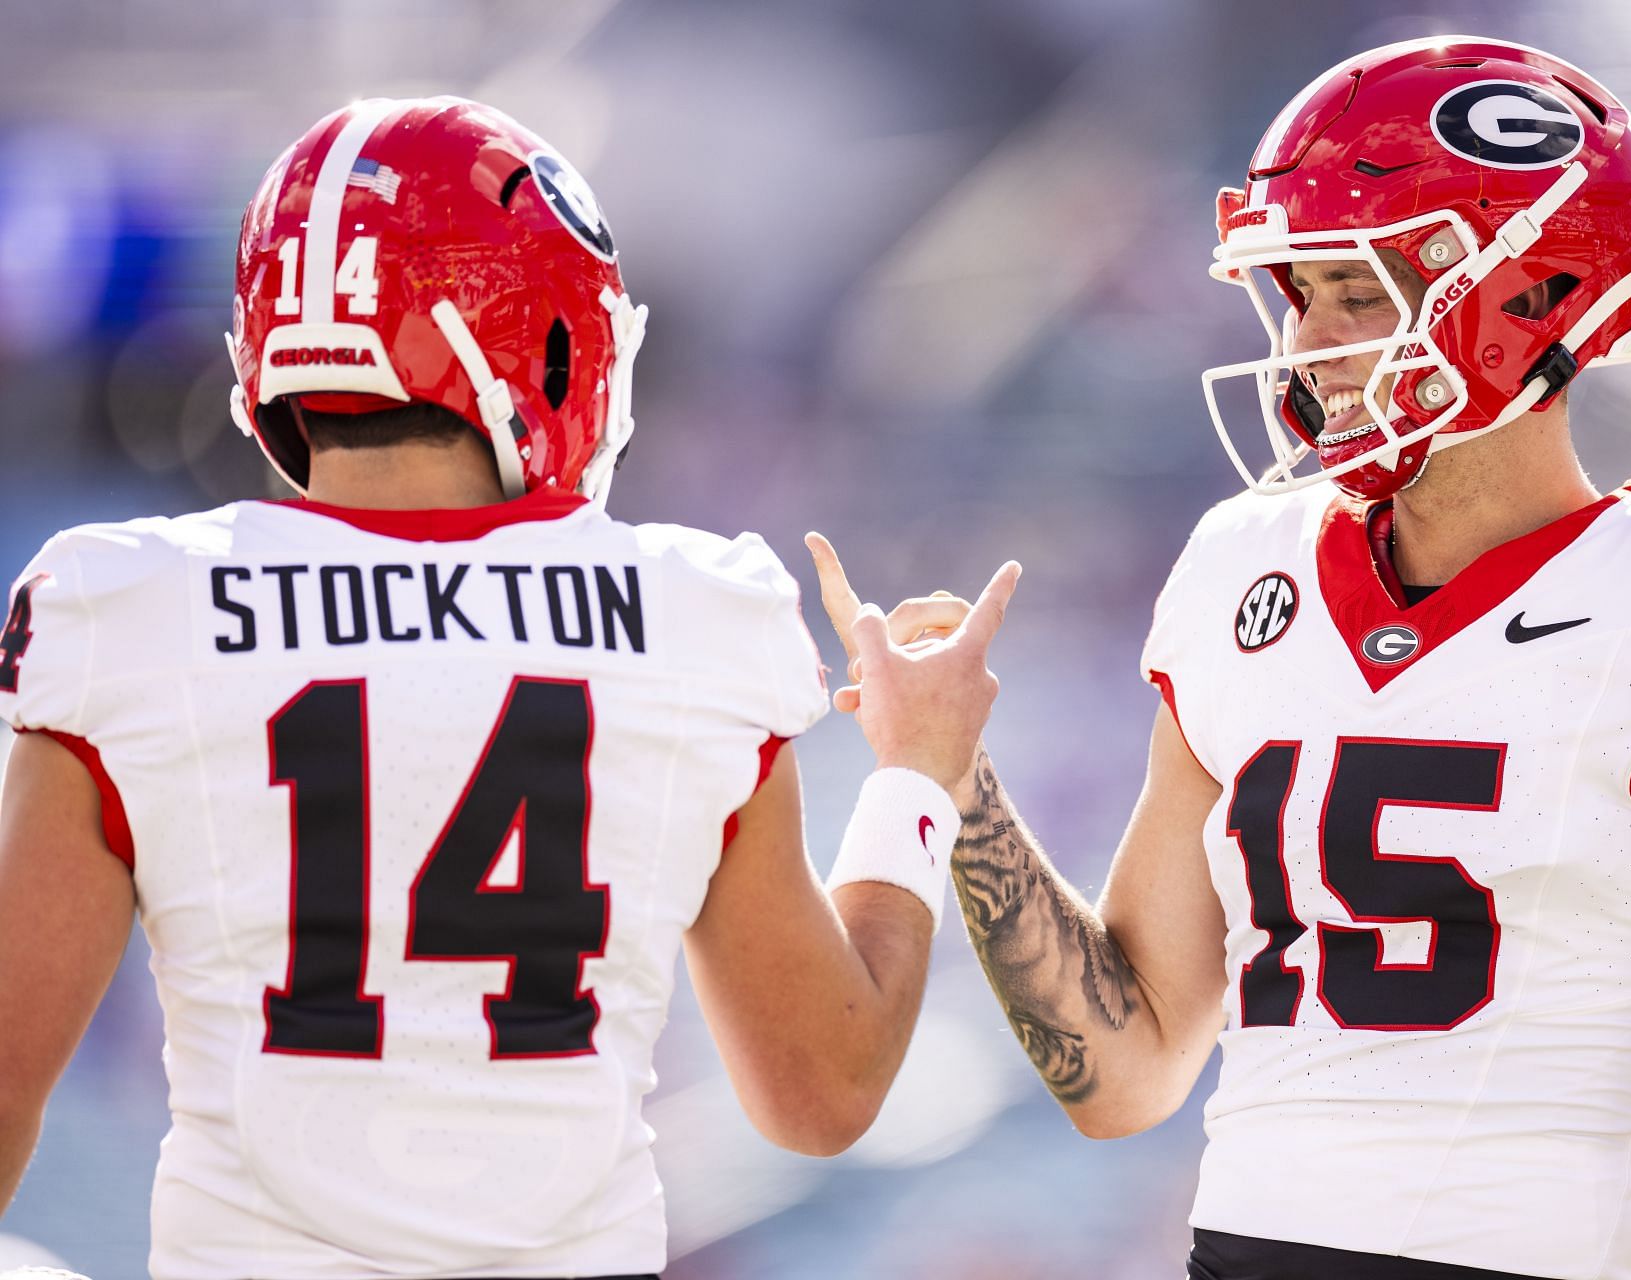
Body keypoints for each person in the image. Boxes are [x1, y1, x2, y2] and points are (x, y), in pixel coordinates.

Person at [831, 36, 1631, 1280]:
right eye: (1296, 296)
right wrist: (956, 782)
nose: (1309, 343)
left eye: (1358, 295)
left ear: (1531, 296)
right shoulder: (1245, 567)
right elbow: (1124, 1069)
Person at [0, 96, 1014, 1280]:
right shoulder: (699, 613)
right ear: (543, 335)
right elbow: (823, 1089)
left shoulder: (128, 606)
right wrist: (912, 778)